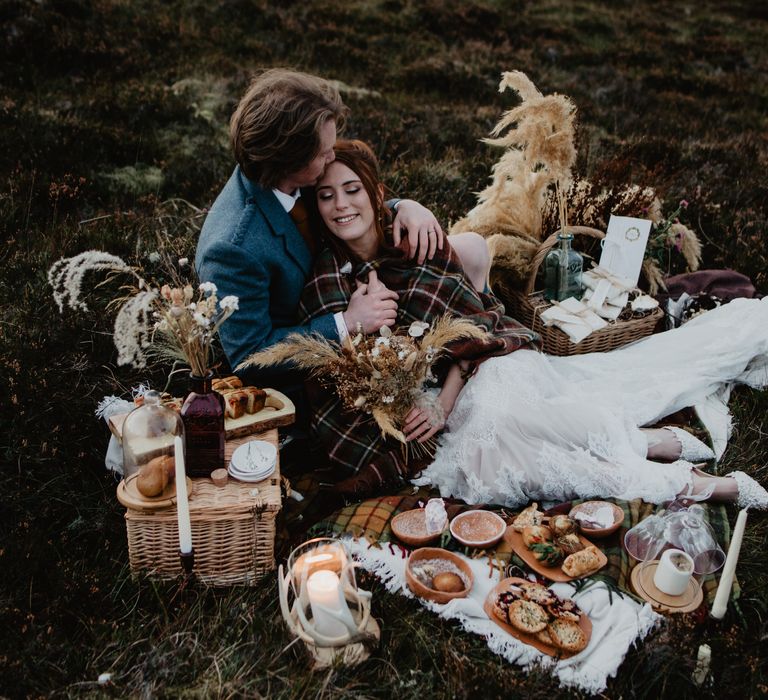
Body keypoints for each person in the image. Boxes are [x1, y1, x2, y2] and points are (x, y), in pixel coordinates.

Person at [294, 139, 768, 509]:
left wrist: (443, 402)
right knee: (492, 465)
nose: (340, 205)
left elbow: (475, 326)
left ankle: (668, 465)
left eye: (352, 190)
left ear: (376, 193)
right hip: (437, 414)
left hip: (484, 368)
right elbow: (336, 380)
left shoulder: (415, 241)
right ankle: (668, 469)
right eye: (326, 196)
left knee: (502, 421)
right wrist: (356, 325)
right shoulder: (328, 282)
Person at [195, 69, 486, 407]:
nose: (332, 157)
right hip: (312, 379)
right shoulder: (233, 249)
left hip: (359, 296)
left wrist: (403, 206)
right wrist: (346, 323)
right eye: (324, 153)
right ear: (289, 159)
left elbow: (342, 200)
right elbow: (250, 357)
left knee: (468, 257)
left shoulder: (286, 177)